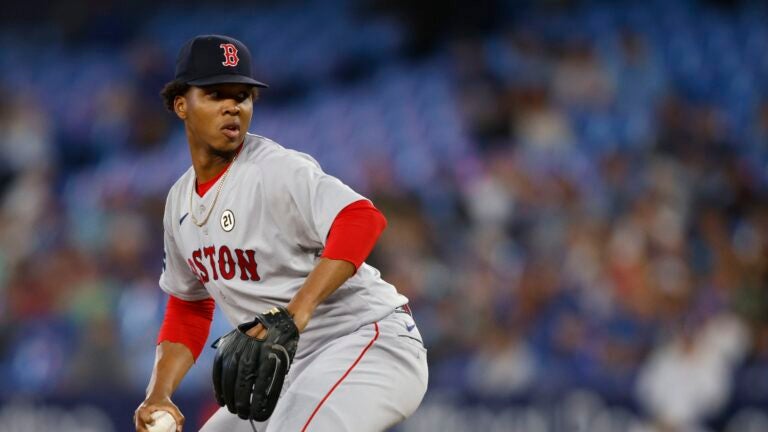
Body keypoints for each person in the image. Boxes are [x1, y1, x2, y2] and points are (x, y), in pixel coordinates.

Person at [133, 35, 428, 432]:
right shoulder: (179, 202)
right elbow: (190, 305)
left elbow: (361, 218)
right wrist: (159, 391)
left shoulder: (274, 169)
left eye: (243, 95)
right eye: (216, 93)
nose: (232, 106)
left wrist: (296, 311)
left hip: (366, 341)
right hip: (290, 367)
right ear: (181, 104)